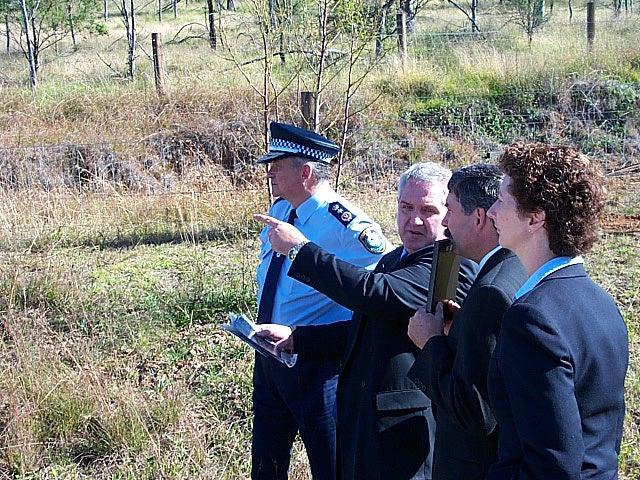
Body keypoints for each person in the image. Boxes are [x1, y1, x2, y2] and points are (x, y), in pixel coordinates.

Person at [254, 162, 477, 480]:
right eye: (405, 207)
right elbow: (367, 328)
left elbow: (377, 293)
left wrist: (301, 251)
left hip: (404, 434)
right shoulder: (395, 259)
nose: (413, 220)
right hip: (368, 427)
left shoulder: (451, 263)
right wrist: (297, 338)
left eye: (427, 210)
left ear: (449, 214)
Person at [252, 122, 389, 480]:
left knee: (331, 465)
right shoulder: (281, 211)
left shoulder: (344, 224)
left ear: (306, 171)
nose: (270, 173)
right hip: (269, 357)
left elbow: (381, 286)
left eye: (278, 165)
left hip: (318, 365)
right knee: (266, 465)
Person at [485, 143, 628, 480]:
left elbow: (552, 465)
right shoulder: (600, 301)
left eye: (502, 200)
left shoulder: (532, 318)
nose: (491, 211)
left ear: (535, 218)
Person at [406, 163, 527, 480]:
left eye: (450, 210)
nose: (444, 222)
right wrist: (459, 331)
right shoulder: (514, 267)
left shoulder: (490, 291)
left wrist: (430, 342)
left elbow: (476, 411)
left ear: (478, 218)